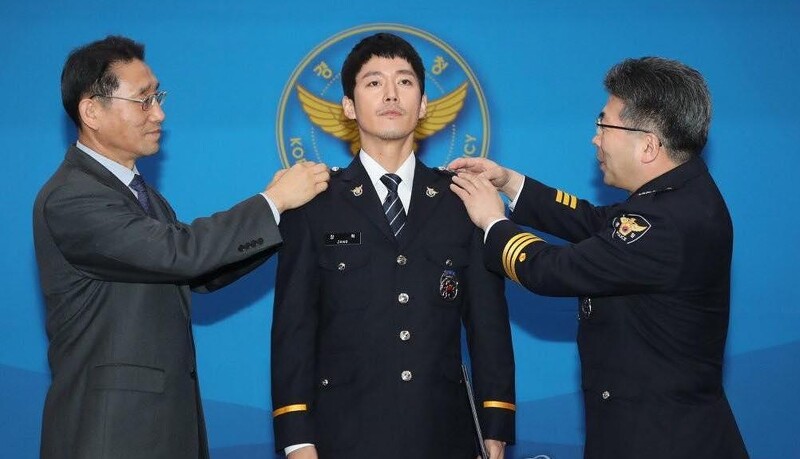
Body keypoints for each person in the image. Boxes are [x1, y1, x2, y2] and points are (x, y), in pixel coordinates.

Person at [33, 35, 329, 459]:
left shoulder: (141, 195)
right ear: (92, 111)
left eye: (158, 97)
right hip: (110, 437)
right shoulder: (72, 197)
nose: (159, 113)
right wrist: (273, 202)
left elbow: (197, 273)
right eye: (143, 100)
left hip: (161, 429)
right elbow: (179, 253)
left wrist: (279, 216)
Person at [449, 57, 748, 458]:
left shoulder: (668, 222)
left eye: (604, 126)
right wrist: (509, 182)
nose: (596, 139)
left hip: (662, 442)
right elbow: (595, 222)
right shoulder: (680, 193)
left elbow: (552, 271)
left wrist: (492, 222)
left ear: (648, 145)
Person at [270, 33, 515, 459]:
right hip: (343, 434)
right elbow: (294, 328)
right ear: (348, 106)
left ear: (423, 105)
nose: (390, 94)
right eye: (373, 82)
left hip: (443, 432)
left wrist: (495, 424)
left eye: (404, 81)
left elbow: (488, 323)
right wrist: (297, 438)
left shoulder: (463, 199)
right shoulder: (313, 201)